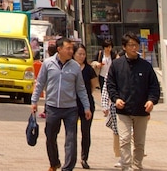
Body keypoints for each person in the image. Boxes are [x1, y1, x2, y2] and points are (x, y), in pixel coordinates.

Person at [31, 37, 92, 171]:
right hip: (52, 108)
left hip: (71, 109)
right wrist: (34, 101)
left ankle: (67, 168)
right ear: (59, 49)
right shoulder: (48, 63)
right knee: (50, 136)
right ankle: (54, 163)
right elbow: (40, 83)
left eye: (72, 48)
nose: (71, 51)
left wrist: (87, 107)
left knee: (71, 140)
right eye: (68, 48)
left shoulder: (75, 66)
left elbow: (81, 89)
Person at [105, 33, 160, 171]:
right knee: (124, 139)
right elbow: (110, 85)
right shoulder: (117, 65)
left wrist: (151, 101)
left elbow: (154, 86)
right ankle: (126, 166)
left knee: (139, 143)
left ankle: (137, 166)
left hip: (141, 110)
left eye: (136, 44)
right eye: (131, 45)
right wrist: (115, 98)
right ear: (124, 47)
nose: (134, 47)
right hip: (123, 110)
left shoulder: (145, 66)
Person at [73, 42, 99, 169]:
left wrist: (85, 97)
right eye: (79, 54)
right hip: (71, 104)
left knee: (85, 132)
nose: (82, 56)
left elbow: (93, 85)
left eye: (84, 54)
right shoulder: (70, 67)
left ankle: (84, 158)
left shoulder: (89, 69)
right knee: (71, 133)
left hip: (87, 104)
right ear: (73, 54)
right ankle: (71, 157)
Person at [98, 66, 122, 169]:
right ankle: (122, 157)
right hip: (115, 106)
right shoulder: (113, 71)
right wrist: (104, 105)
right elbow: (105, 89)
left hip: (132, 107)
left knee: (129, 133)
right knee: (118, 132)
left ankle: (135, 154)